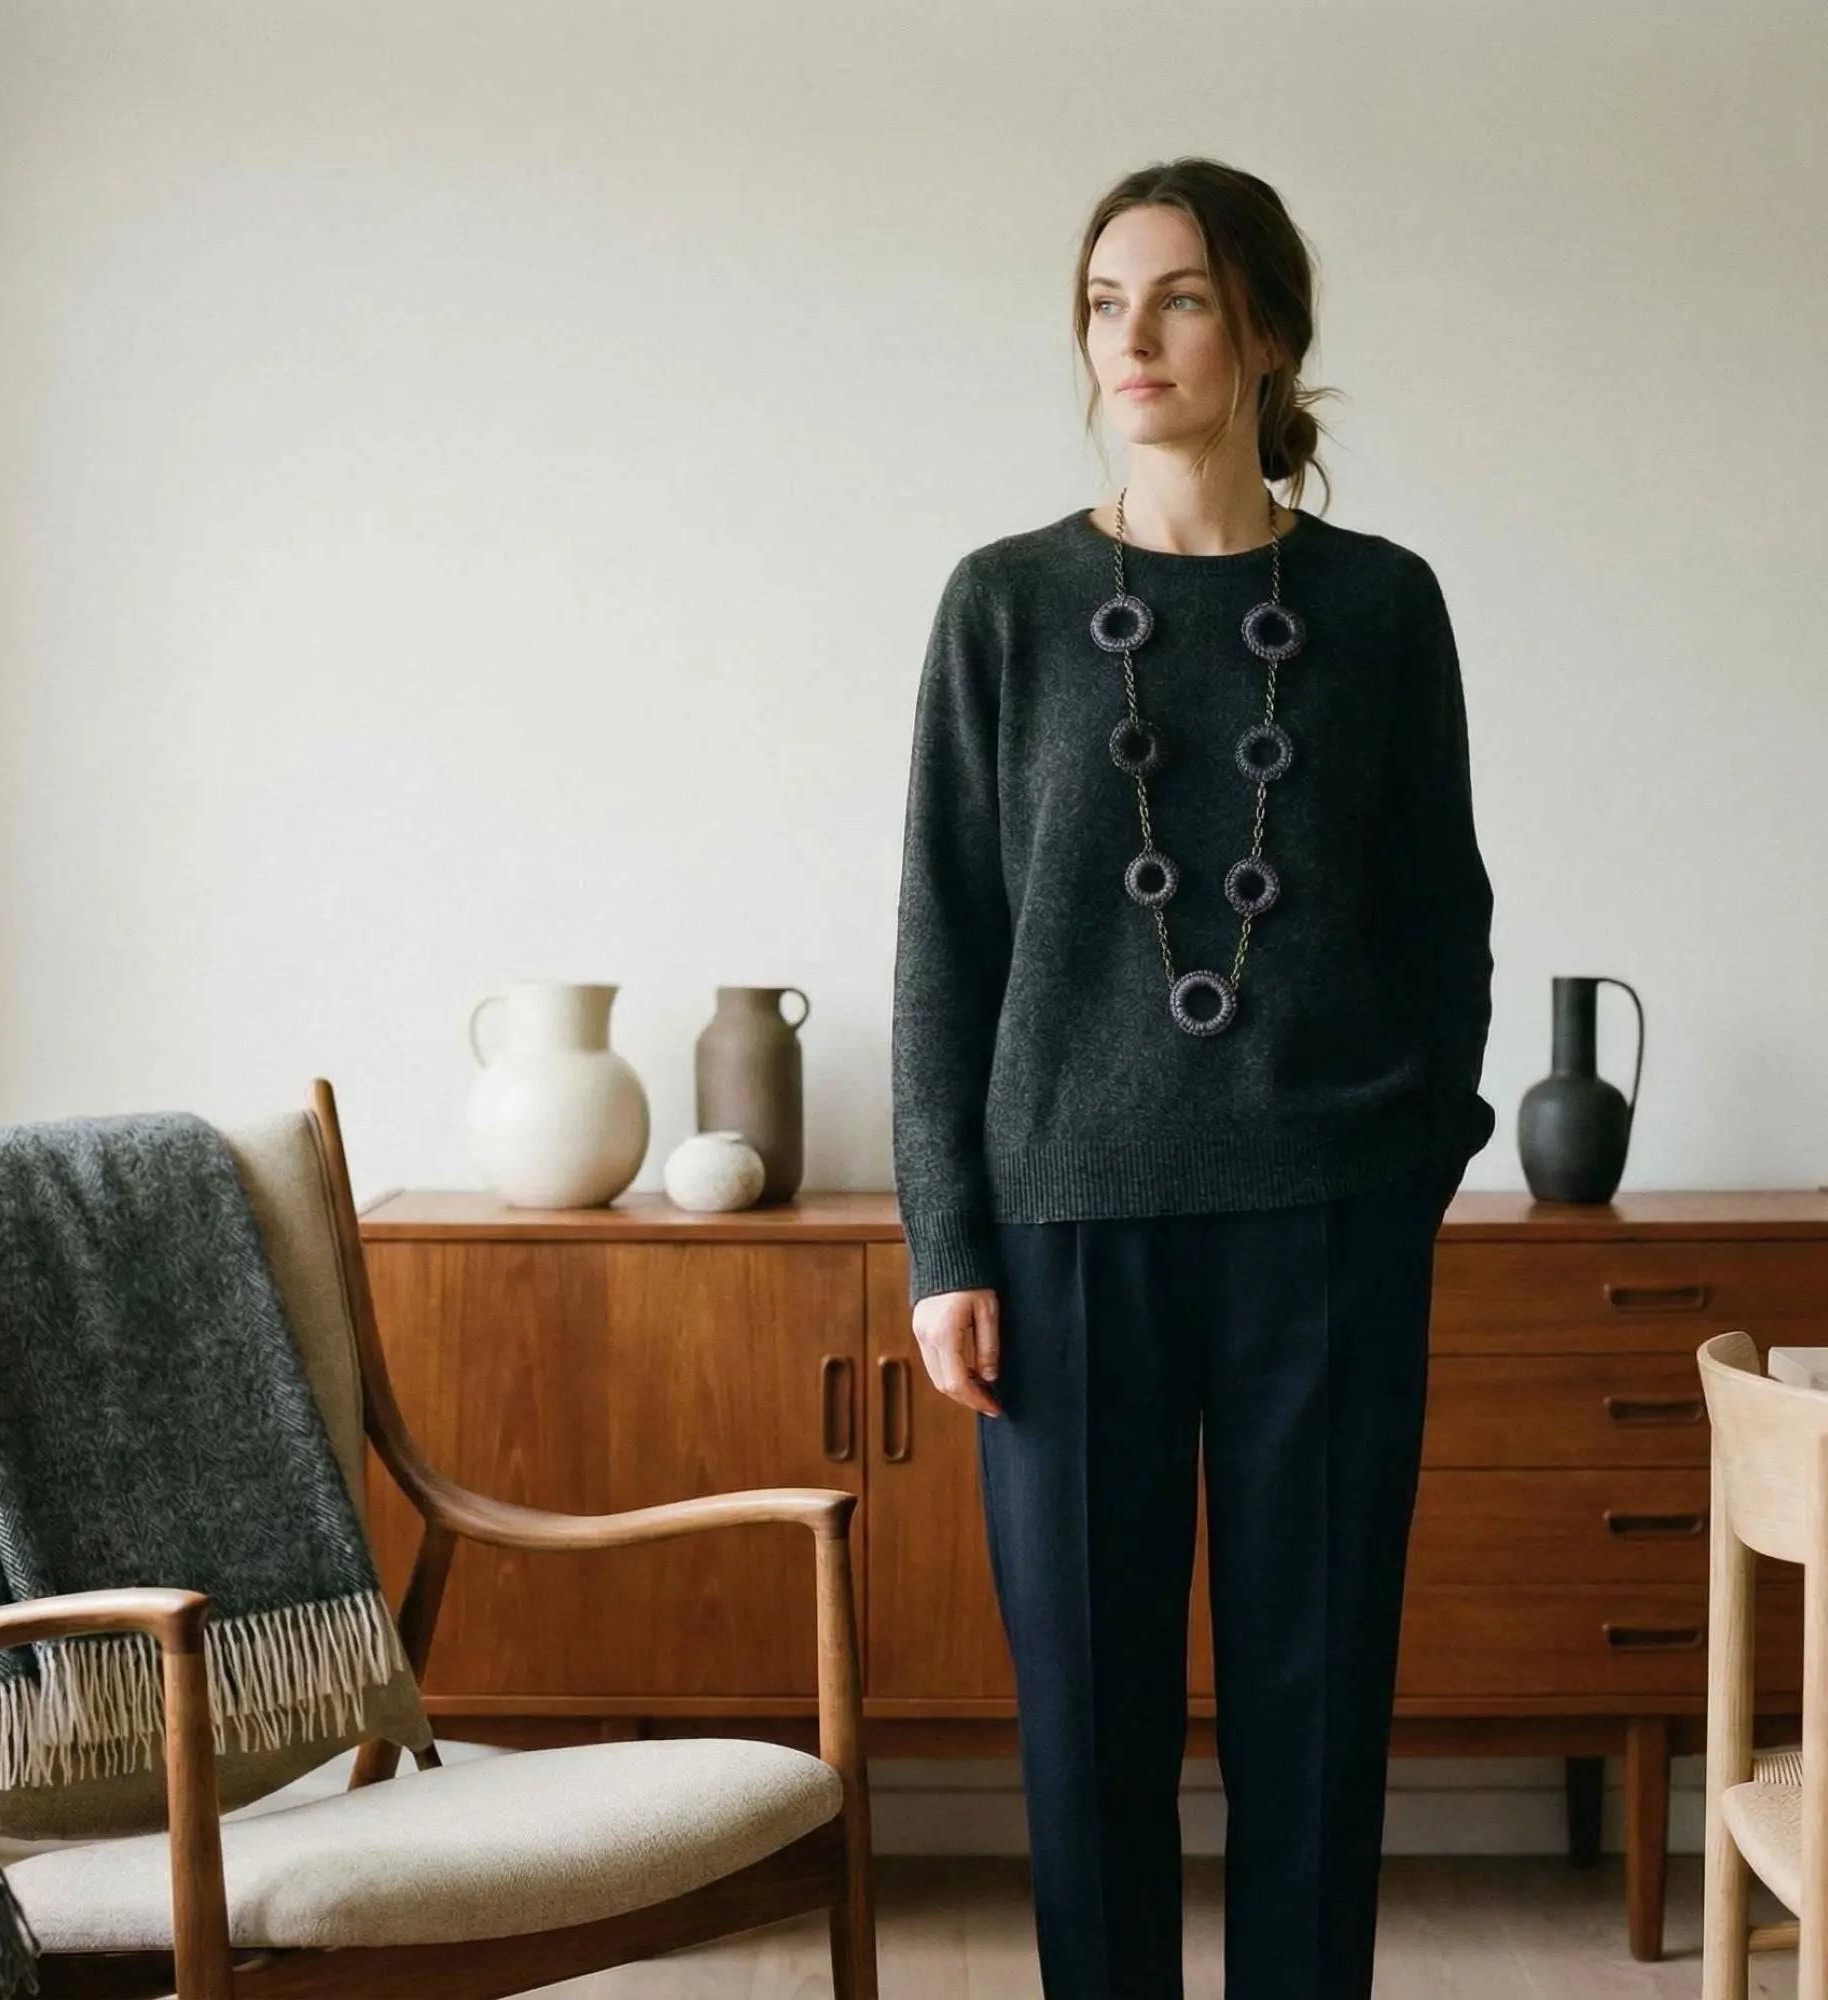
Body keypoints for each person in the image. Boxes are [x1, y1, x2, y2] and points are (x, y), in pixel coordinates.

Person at [888, 156, 1497, 2000]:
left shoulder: (1385, 607)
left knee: (1317, 1720)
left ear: (1269, 336)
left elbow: (1444, 917)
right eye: (1102, 301)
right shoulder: (1002, 602)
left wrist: (1408, 1175)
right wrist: (945, 1244)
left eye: (1177, 298)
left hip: (1325, 1230)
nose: (1130, 338)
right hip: (1067, 1232)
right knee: (1089, 1727)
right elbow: (947, 934)